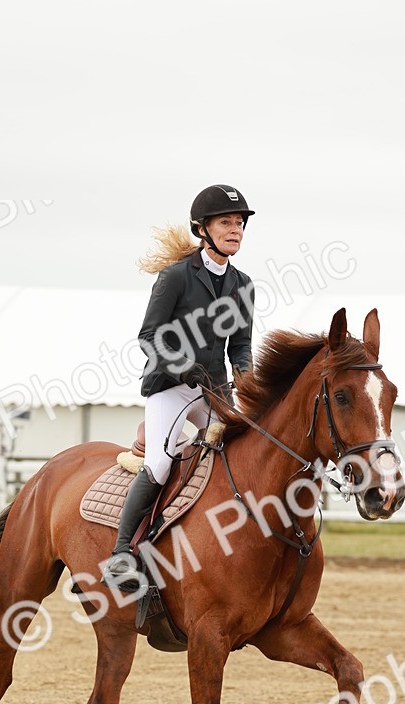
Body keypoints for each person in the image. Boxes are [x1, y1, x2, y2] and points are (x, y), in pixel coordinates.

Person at [102, 184, 256, 587]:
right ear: (202, 228)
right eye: (226, 222)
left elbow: (240, 347)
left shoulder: (243, 285)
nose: (235, 230)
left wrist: (249, 385)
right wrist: (185, 368)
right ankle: (121, 553)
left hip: (214, 391)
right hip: (171, 387)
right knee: (160, 462)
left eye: (239, 223)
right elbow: (148, 337)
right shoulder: (174, 278)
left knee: (241, 453)